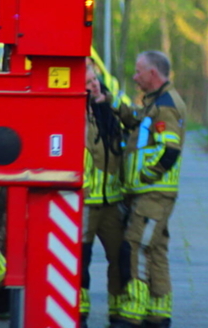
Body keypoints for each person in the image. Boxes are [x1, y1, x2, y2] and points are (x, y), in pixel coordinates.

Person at [111, 51, 187, 328]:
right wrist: (111, 102)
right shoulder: (156, 102)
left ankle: (133, 310)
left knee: (136, 246)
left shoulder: (166, 106)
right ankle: (158, 312)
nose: (135, 77)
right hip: (152, 194)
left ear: (153, 74)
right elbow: (137, 121)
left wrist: (147, 175)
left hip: (153, 194)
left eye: (138, 71)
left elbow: (170, 149)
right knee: (155, 250)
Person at [81, 59, 128, 327]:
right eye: (89, 83)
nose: (95, 85)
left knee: (120, 258)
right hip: (86, 202)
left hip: (112, 202)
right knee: (80, 262)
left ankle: (119, 312)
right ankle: (79, 313)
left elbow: (135, 119)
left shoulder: (109, 112)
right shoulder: (78, 116)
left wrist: (110, 102)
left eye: (95, 80)